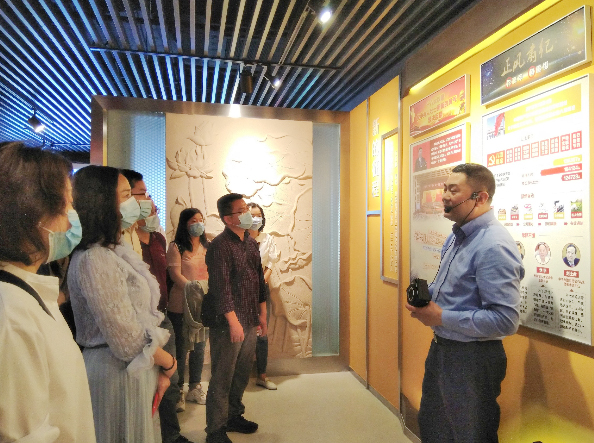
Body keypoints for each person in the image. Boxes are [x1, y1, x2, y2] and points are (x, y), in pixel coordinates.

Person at [406, 163, 524, 443]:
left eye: (453, 190)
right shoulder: (456, 236)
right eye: (445, 189)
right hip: (443, 351)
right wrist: (426, 297)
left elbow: (506, 321)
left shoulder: (493, 245)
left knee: (471, 436)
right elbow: (453, 288)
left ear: (480, 198)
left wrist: (441, 317)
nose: (445, 196)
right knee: (434, 429)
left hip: (473, 361)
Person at [68, 165, 177, 443]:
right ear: (102, 202)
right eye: (127, 195)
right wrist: (169, 363)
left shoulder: (113, 249)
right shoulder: (95, 258)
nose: (138, 204)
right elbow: (127, 341)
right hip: (116, 370)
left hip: (134, 367)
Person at [0, 142, 96, 442]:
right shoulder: (11, 314)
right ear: (33, 213)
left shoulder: (24, 295)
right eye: (67, 205)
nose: (71, 218)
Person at [122, 169, 194, 443]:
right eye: (142, 195)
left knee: (171, 380)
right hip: (140, 322)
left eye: (149, 196)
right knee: (148, 383)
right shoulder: (122, 244)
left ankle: (171, 435)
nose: (150, 202)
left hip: (162, 315)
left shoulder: (158, 239)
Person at [205, 193, 268, 443]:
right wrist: (233, 322)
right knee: (222, 375)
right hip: (228, 323)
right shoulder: (220, 246)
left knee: (241, 373)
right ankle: (215, 430)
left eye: (246, 209)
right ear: (227, 218)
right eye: (241, 211)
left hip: (250, 318)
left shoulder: (250, 243)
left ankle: (233, 415)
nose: (247, 214)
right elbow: (221, 288)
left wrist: (262, 314)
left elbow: (258, 280)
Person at [167, 208, 210, 411]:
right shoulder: (176, 246)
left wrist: (205, 292)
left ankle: (195, 387)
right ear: (185, 223)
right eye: (194, 220)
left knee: (199, 348)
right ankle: (178, 391)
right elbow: (175, 275)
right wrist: (194, 289)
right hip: (180, 305)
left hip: (202, 305)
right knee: (181, 348)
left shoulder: (207, 246)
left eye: (201, 220)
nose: (198, 224)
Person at [247, 202, 279, 390]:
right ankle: (238, 377)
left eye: (258, 215)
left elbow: (271, 264)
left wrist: (261, 281)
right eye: (252, 215)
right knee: (243, 332)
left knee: (262, 332)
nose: (255, 219)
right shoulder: (240, 238)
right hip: (242, 292)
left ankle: (262, 375)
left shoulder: (267, 239)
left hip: (261, 289)